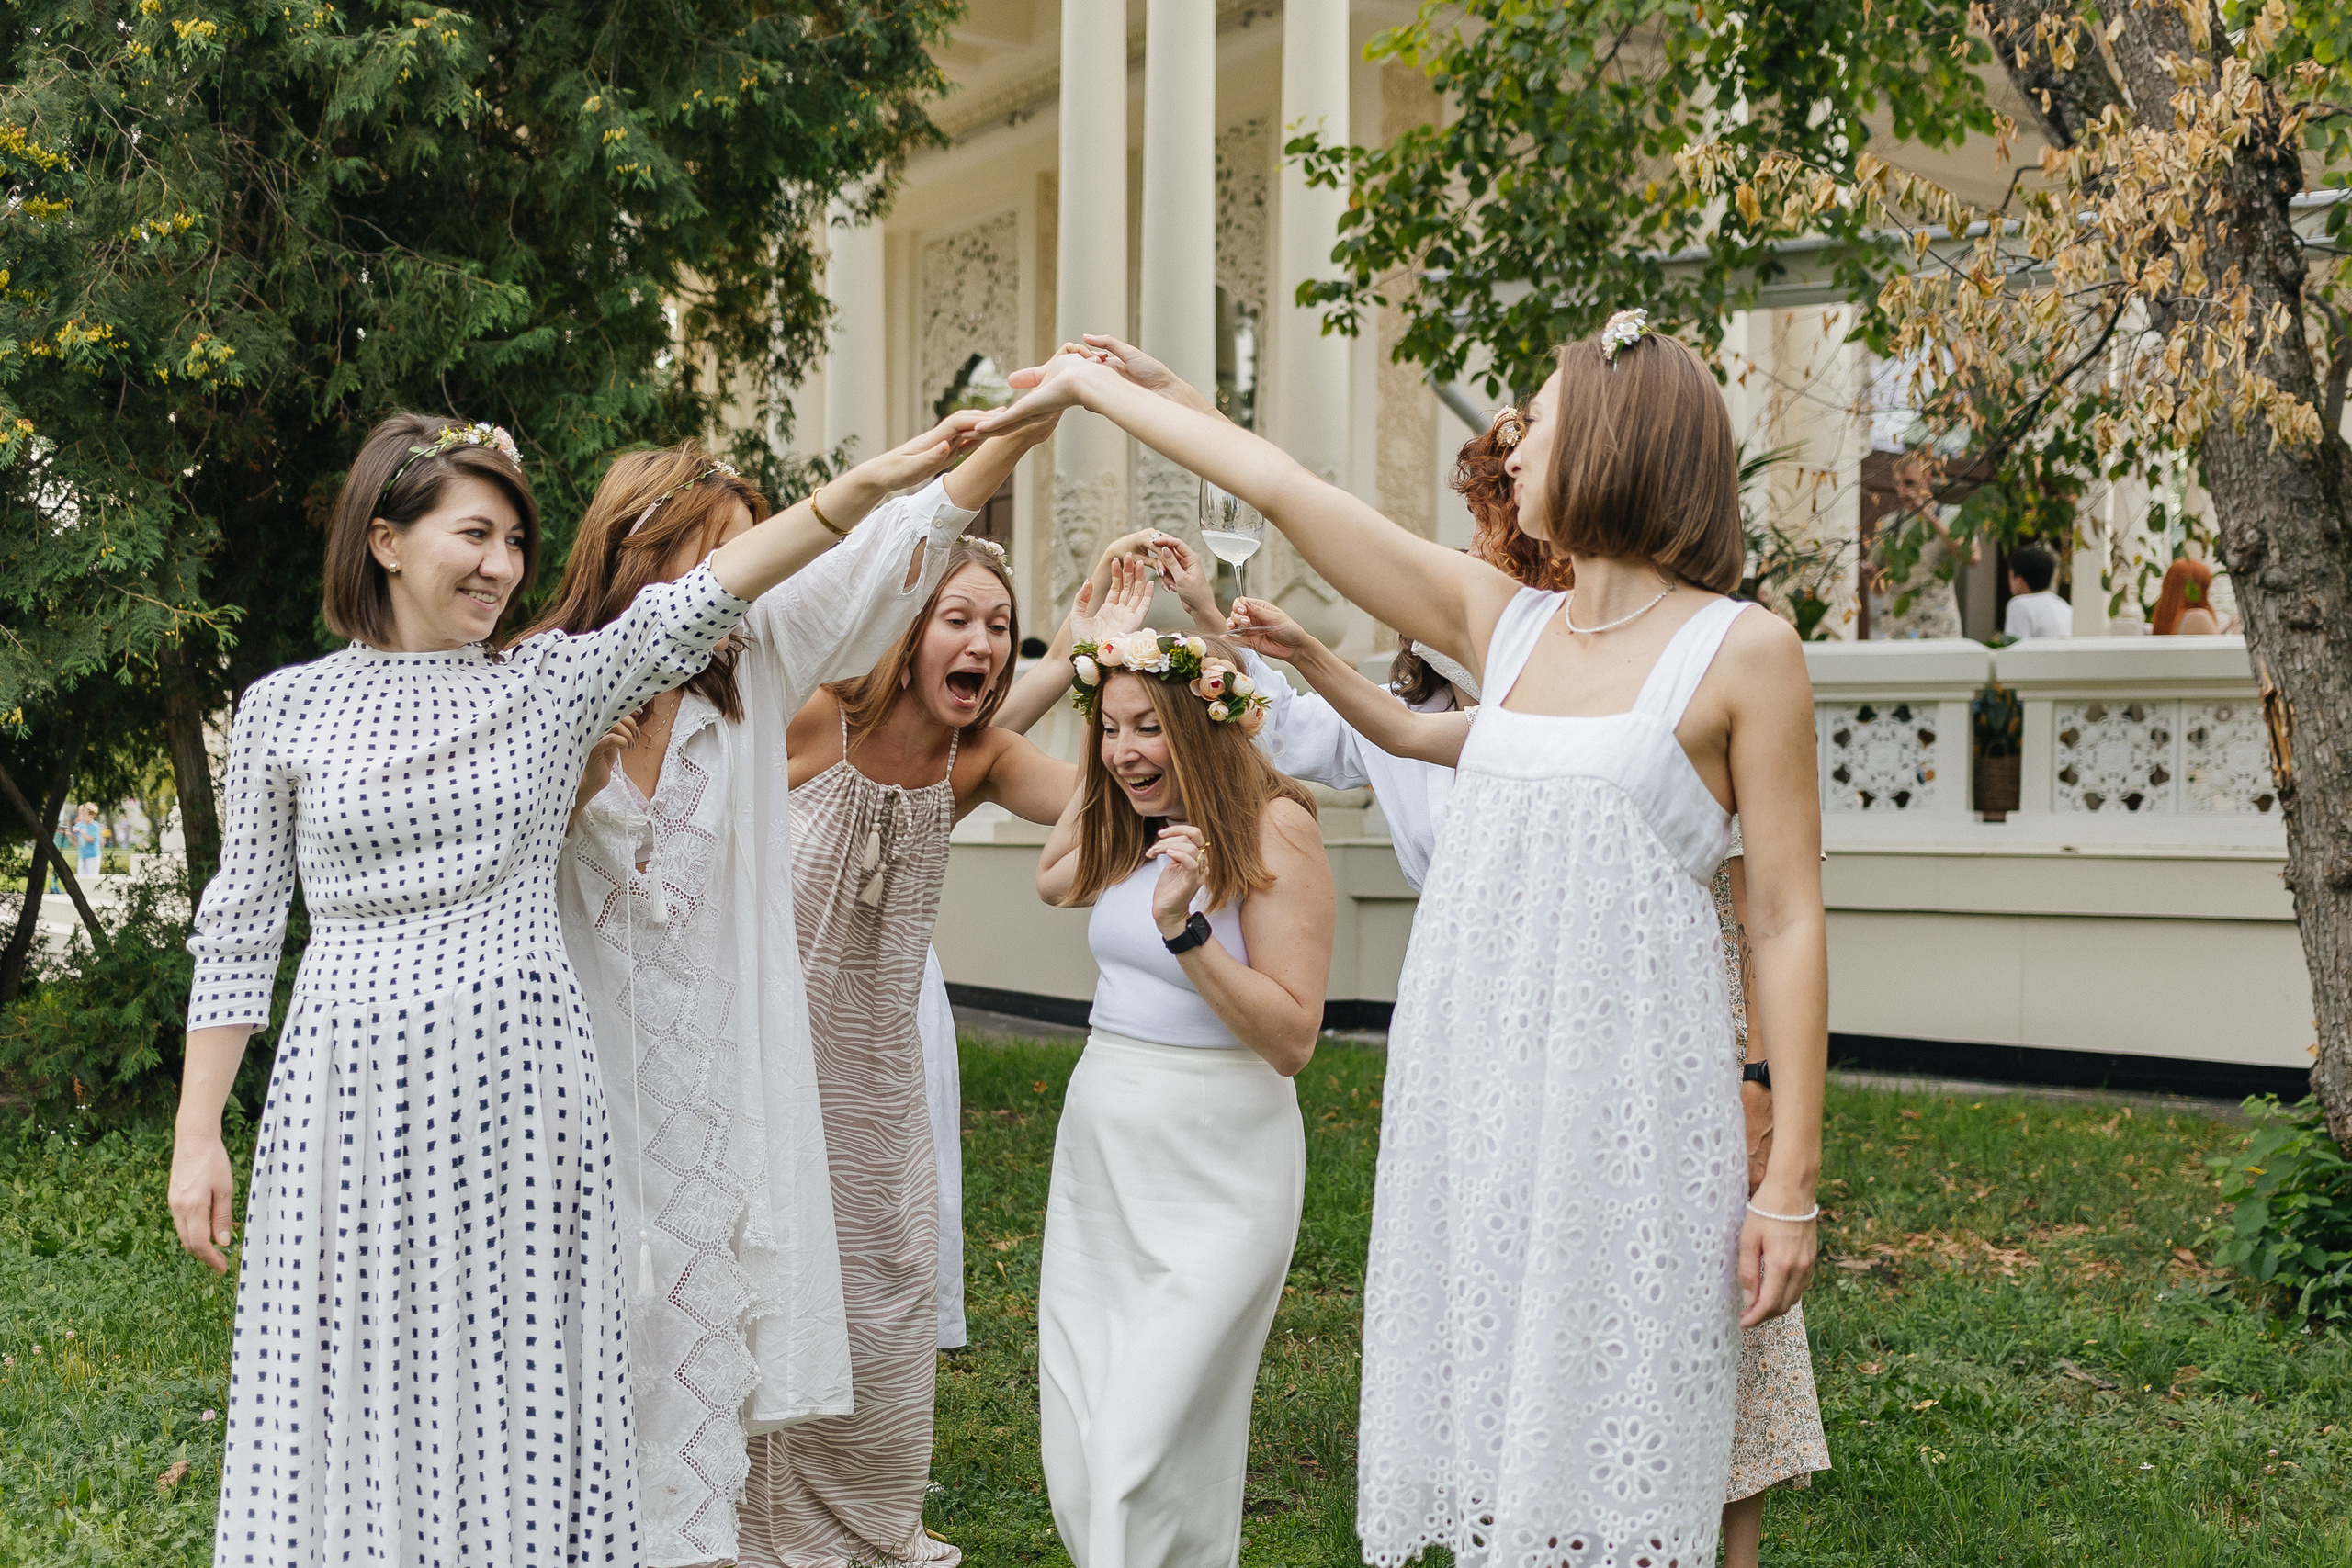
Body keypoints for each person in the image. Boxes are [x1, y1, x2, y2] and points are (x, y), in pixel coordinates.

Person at [979, 309, 1828, 1566]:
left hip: (1634, 1112)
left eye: (1537, 419)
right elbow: (1288, 489)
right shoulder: (1499, 619)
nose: (1515, 441)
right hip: (1474, 1099)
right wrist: (1128, 397)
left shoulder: (1747, 651)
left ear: (1613, 443)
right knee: (1494, 1413)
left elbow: (1785, 915)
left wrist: (1789, 1180)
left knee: (1627, 1419)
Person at [165, 407, 981, 1568]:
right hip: (343, 1085)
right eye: (475, 535)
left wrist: (878, 484)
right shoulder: (284, 708)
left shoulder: (549, 680)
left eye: (516, 542)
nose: (502, 566)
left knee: (520, 1376)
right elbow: (241, 926)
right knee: (351, 1368)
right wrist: (202, 1135)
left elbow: (707, 595)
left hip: (521, 1081)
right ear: (386, 541)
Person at [540, 423, 1047, 1568]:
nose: (740, 583)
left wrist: (1029, 420)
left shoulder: (754, 675)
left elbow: (899, 554)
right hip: (578, 1078)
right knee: (586, 1343)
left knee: (703, 1348)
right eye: (715, 560)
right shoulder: (549, 679)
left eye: (751, 556)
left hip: (714, 1081)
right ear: (638, 559)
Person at [742, 527, 1156, 1568]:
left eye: (1001, 628)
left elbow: (1120, 810)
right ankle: (743, 1520)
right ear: (903, 628)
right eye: (957, 619)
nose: (982, 641)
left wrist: (1122, 678)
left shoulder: (977, 759)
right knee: (760, 1281)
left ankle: (867, 1516)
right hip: (761, 1054)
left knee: (881, 1288)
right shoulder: (816, 717)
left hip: (878, 1063)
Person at [1033, 626, 1333, 1567]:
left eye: (1149, 729)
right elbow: (1051, 882)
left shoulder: (1274, 827)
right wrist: (1106, 744)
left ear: (1205, 727)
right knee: (1083, 1435)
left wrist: (1188, 932)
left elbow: (1290, 1039)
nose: (1126, 751)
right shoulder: (1132, 827)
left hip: (1218, 1165)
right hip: (1103, 1162)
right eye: (1111, 729)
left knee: (1144, 1439)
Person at [2001, 544, 2071, 639]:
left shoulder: (2019, 605)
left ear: (2019, 581)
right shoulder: (2065, 607)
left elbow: (2016, 651)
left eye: (2010, 576)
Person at [2151, 557, 2233, 636]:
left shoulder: (2167, 620)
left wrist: (2229, 626)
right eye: (2205, 587)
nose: (2209, 592)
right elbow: (2222, 649)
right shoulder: (2198, 617)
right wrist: (2237, 629)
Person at [71, 803, 101, 880]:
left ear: (92, 815)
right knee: (81, 878)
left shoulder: (95, 826)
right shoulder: (80, 824)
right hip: (82, 856)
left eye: (85, 815)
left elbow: (90, 839)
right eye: (83, 814)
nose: (83, 817)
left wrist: (80, 831)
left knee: (91, 879)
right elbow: (73, 834)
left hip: (92, 856)